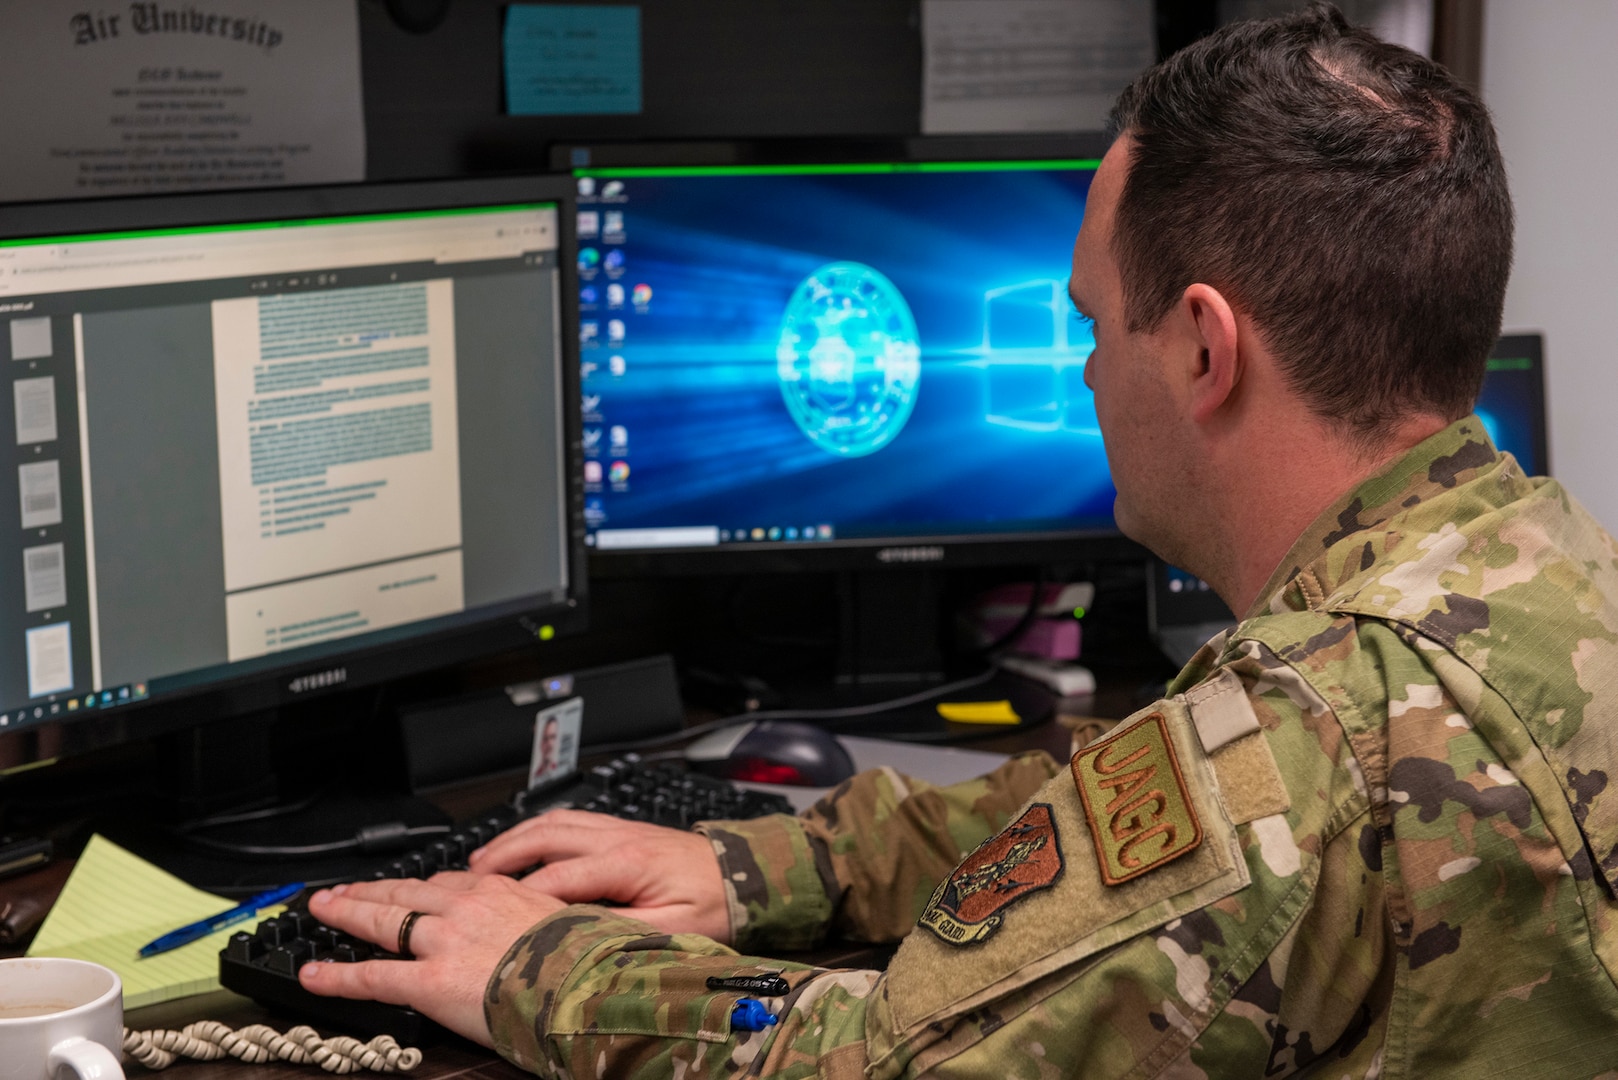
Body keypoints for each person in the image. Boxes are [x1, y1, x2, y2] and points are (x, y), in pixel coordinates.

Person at [298, 5, 1618, 1076]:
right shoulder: (1546, 567)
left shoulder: (1308, 735)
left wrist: (532, 966)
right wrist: (775, 864)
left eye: (1099, 327)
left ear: (1208, 348)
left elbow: (884, 1062)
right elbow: (1123, 829)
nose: (1091, 376)